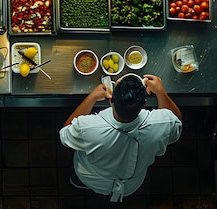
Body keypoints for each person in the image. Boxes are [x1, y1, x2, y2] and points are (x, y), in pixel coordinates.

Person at [60, 73, 182, 206]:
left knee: (78, 179)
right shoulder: (161, 124)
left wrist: (92, 97)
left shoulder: (89, 127)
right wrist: (160, 92)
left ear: (111, 100)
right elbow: (175, 121)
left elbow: (65, 134)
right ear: (144, 104)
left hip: (90, 178)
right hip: (130, 186)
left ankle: (78, 183)